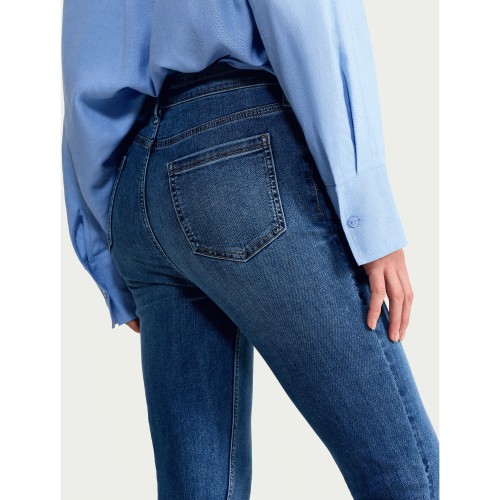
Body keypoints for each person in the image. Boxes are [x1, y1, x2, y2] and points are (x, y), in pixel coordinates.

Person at [61, 0, 439, 498]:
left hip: (138, 189)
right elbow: (305, 16)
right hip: (239, 158)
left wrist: (105, 250)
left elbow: (83, 69)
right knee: (407, 473)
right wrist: (365, 204)